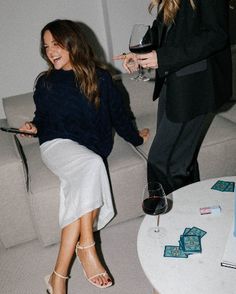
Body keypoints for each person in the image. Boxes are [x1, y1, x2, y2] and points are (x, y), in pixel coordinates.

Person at [20, 19, 149, 294]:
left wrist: (137, 138)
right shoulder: (45, 83)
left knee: (85, 175)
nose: (50, 51)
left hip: (92, 146)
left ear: (72, 43)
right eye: (46, 46)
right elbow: (41, 118)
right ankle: (87, 247)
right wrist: (33, 127)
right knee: (91, 165)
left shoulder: (99, 77)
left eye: (55, 44)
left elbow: (119, 115)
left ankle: (57, 279)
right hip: (56, 145)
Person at [114, 0, 232, 195]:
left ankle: (165, 216)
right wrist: (138, 54)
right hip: (173, 83)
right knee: (180, 162)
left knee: (162, 161)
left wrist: (162, 58)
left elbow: (216, 35)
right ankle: (190, 217)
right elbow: (163, 33)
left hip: (194, 88)